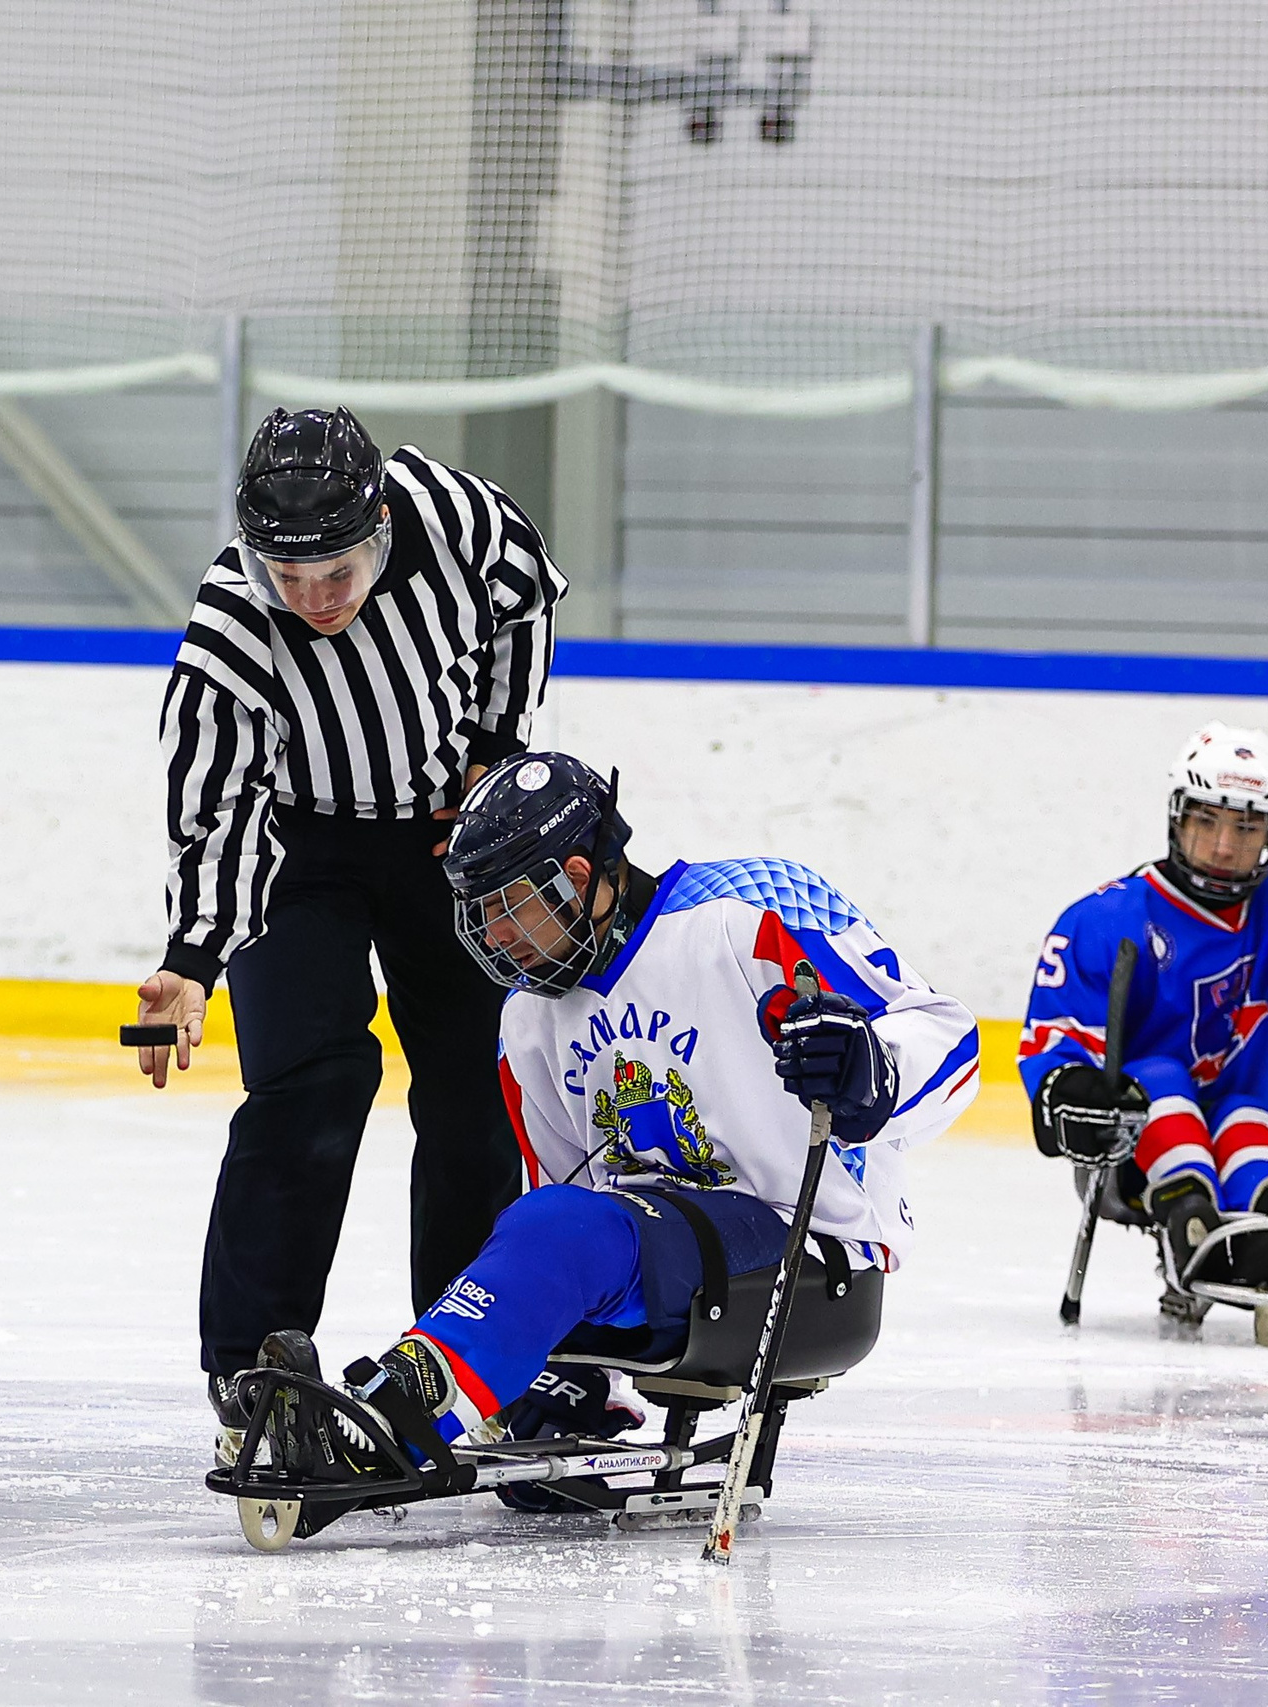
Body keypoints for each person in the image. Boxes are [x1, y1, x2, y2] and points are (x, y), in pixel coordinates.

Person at [243, 751, 979, 1486]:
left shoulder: (751, 909)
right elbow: (571, 1197)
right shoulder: (527, 1019)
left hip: (808, 1256)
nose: (492, 935)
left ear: (578, 875)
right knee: (532, 1232)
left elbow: (951, 1037)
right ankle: (473, 1400)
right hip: (670, 1259)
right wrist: (569, 1379)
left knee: (559, 1224)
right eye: (479, 912)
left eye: (507, 904)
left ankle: (388, 1421)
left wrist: (871, 1071)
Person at [129, 405, 566, 1434]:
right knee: (309, 1087)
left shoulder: (455, 518)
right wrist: (193, 955)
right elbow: (219, 806)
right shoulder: (231, 629)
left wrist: (496, 748)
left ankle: (472, 1351)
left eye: (337, 572)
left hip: (443, 835)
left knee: (475, 1093)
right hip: (298, 850)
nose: (314, 599)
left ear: (381, 527)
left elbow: (528, 595)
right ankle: (251, 1360)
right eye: (288, 575)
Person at [1017, 722, 1268, 1292]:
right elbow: (1053, 1039)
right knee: (1160, 1075)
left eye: (1247, 826)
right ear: (1178, 818)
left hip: (1247, 1115)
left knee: (1245, 1108)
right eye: (1206, 821)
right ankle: (1185, 1199)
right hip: (1130, 1156)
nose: (1224, 846)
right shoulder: (1106, 920)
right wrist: (1066, 1086)